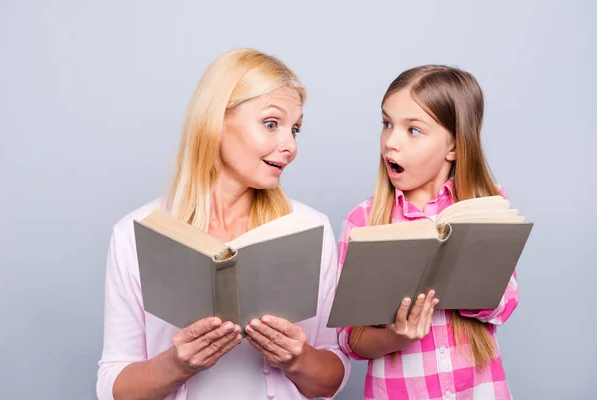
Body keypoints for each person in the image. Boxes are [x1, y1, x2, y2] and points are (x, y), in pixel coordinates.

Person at [96, 48, 350, 400]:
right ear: (215, 122)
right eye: (271, 124)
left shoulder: (310, 229)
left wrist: (297, 358)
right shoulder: (135, 234)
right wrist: (178, 364)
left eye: (295, 129)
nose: (289, 145)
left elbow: (332, 379)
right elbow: (113, 387)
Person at [336, 65, 518, 399]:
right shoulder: (364, 220)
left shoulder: (486, 204)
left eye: (413, 130)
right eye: (387, 124)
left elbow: (506, 302)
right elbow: (350, 339)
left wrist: (460, 274)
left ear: (453, 147)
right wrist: (396, 336)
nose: (391, 142)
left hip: (480, 390)